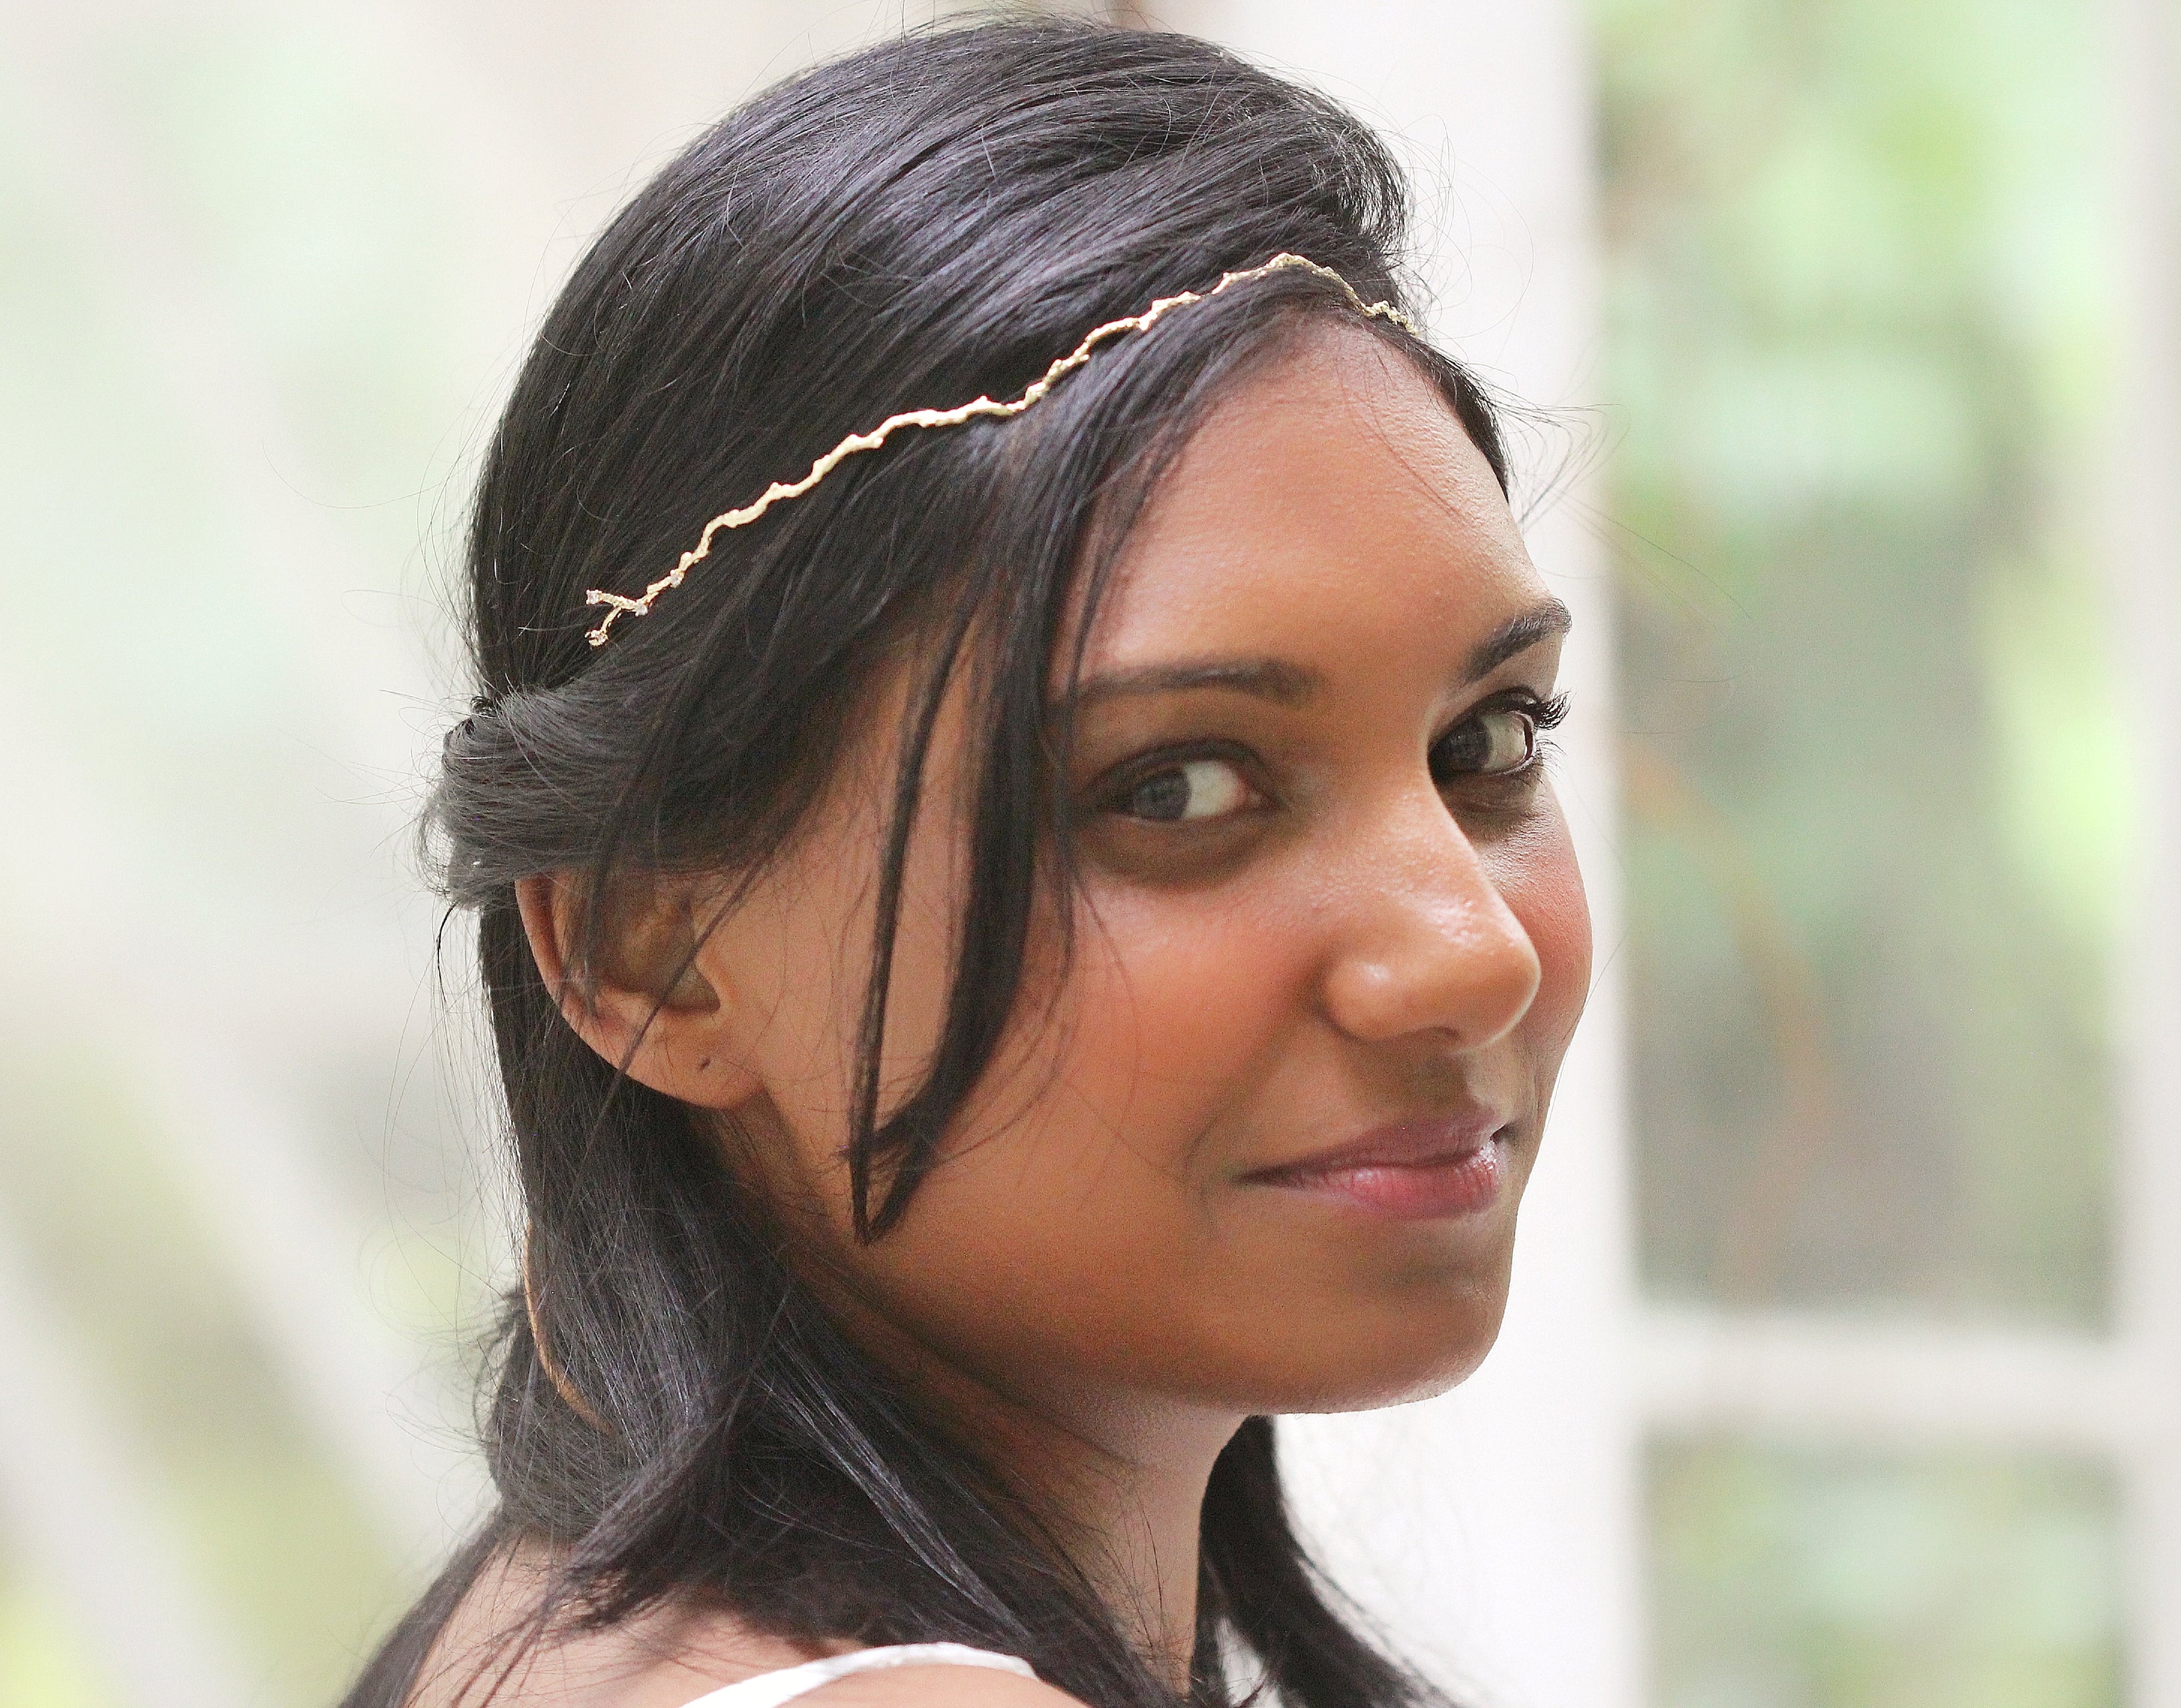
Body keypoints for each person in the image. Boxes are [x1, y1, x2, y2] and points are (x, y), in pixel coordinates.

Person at [350, 19, 1591, 1708]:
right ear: (654, 951)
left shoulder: (558, 1625)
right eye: (1177, 787)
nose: (1469, 951)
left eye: (1491, 741)